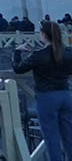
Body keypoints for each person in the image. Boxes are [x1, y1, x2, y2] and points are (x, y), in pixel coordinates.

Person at [16, 19, 72, 161]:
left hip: (46, 97)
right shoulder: (68, 53)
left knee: (51, 137)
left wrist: (16, 52)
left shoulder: (39, 55)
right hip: (66, 95)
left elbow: (18, 69)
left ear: (43, 35)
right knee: (69, 135)